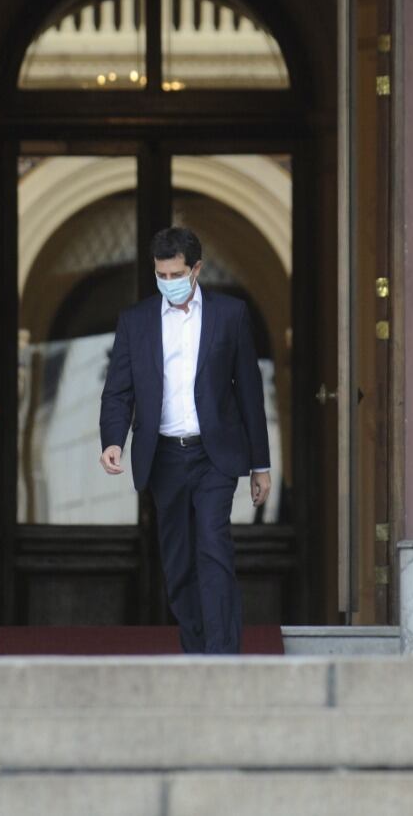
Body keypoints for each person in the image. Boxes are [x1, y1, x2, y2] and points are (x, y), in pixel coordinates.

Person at [99, 227, 271, 654]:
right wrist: (113, 439)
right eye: (160, 273)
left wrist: (260, 464)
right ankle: (197, 656)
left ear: (196, 269)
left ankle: (222, 658)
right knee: (177, 563)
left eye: (176, 272)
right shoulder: (135, 321)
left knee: (213, 548)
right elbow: (118, 389)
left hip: (214, 455)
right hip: (164, 459)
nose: (168, 281)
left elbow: (249, 390)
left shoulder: (229, 315)